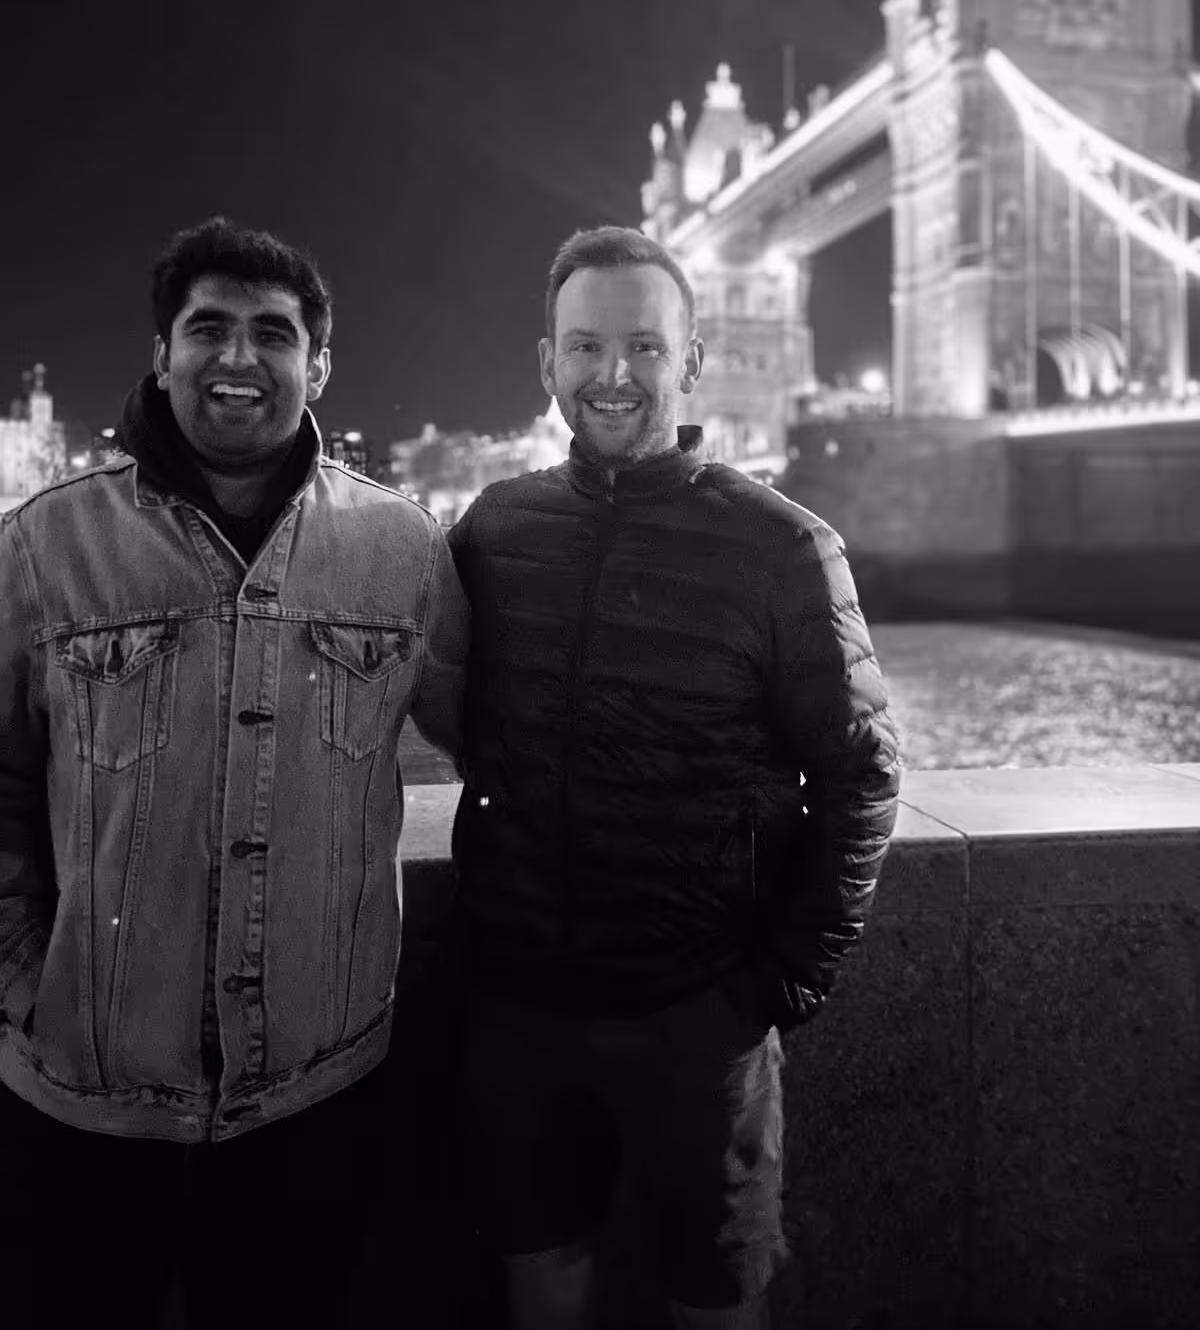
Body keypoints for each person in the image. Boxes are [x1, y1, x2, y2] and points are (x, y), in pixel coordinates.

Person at [0, 217, 467, 1329]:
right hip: (85, 1103)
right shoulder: (41, 548)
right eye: (208, 328)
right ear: (162, 353)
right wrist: (22, 983)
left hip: (317, 1096)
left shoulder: (403, 551)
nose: (239, 358)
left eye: (274, 332)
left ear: (318, 365)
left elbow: (503, 744)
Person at [448, 225, 901, 1330]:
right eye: (587, 346)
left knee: (714, 1302)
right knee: (539, 1280)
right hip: (519, 1009)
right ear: (546, 362)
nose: (614, 374)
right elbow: (446, 712)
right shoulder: (492, 529)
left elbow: (866, 773)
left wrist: (783, 983)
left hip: (693, 1018)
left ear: (691, 362)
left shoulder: (784, 549)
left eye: (646, 348)